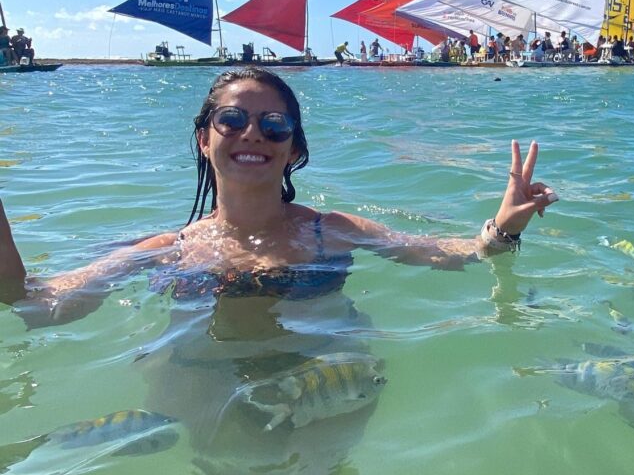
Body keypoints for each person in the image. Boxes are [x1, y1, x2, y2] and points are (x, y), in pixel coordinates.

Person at [0, 68, 559, 320]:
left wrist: (503, 227)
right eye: (233, 118)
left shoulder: (332, 230)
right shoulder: (167, 248)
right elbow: (35, 301)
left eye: (274, 125)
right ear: (203, 139)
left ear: (293, 149)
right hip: (202, 380)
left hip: (326, 382)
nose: (253, 133)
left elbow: (454, 255)